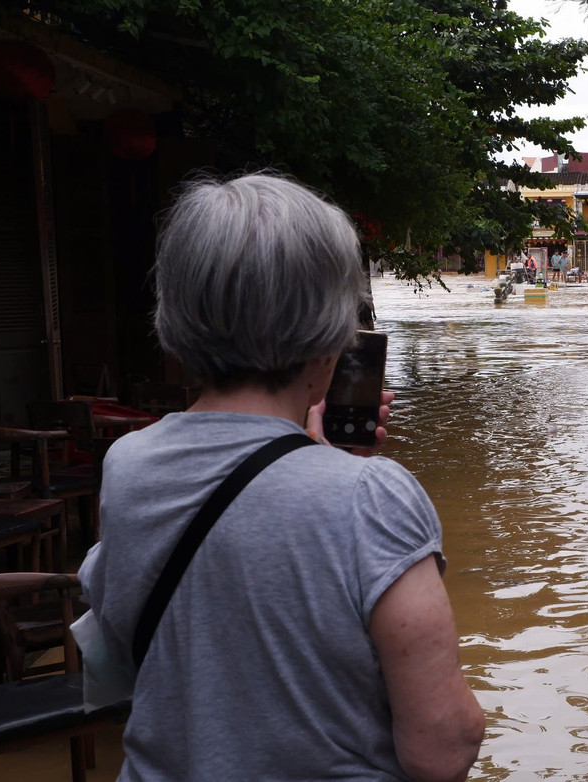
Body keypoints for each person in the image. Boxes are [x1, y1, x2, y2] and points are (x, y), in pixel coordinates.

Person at [80, 173, 485, 781]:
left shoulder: (128, 464)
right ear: (329, 333)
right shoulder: (373, 499)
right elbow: (442, 749)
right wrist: (345, 478)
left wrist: (324, 465)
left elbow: (181, 665)